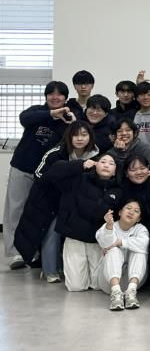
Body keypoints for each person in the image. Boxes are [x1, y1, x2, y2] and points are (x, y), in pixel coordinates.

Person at [14, 121, 99, 282]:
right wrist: (77, 166)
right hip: (48, 201)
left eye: (84, 134)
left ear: (90, 136)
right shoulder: (56, 152)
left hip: (75, 201)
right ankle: (49, 270)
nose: (79, 138)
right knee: (52, 231)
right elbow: (40, 175)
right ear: (69, 136)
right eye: (75, 135)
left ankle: (64, 267)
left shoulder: (95, 154)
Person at [4, 80, 71, 269]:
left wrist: (69, 120)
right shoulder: (36, 111)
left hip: (46, 175)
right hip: (22, 167)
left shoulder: (67, 119)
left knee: (39, 212)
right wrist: (51, 114)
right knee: (15, 209)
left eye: (59, 94)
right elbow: (24, 118)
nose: (55, 97)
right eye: (51, 94)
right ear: (46, 96)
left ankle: (34, 252)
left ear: (66, 98)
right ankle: (15, 253)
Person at [45, 154, 122, 291]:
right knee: (76, 286)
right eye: (103, 161)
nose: (106, 165)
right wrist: (80, 165)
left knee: (98, 285)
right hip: (75, 237)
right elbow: (52, 174)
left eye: (111, 163)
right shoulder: (79, 178)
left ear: (115, 171)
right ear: (95, 165)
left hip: (97, 242)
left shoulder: (119, 190)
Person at [95, 200, 149, 310]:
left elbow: (145, 244)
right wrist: (109, 227)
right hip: (108, 282)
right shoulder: (110, 226)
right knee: (113, 250)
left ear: (138, 219)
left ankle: (131, 292)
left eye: (136, 211)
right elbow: (104, 243)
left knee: (140, 251)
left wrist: (121, 242)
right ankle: (116, 293)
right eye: (128, 208)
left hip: (133, 282)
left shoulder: (141, 229)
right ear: (120, 212)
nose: (131, 212)